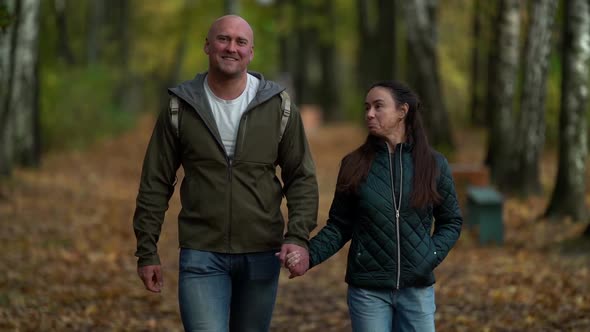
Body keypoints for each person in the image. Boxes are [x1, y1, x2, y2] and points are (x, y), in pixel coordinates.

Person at [132, 15, 318, 331]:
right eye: (223, 39)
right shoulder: (181, 106)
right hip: (201, 252)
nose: (231, 47)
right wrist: (146, 250)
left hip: (261, 252)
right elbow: (155, 181)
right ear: (207, 46)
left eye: (240, 41)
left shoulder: (278, 106)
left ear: (251, 52)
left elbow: (301, 177)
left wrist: (298, 236)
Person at [282, 80, 462, 331]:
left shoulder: (433, 164)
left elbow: (451, 221)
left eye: (378, 106)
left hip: (417, 290)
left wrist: (429, 256)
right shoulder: (354, 164)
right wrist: (309, 256)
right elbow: (339, 226)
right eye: (367, 107)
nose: (369, 113)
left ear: (403, 111)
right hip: (367, 290)